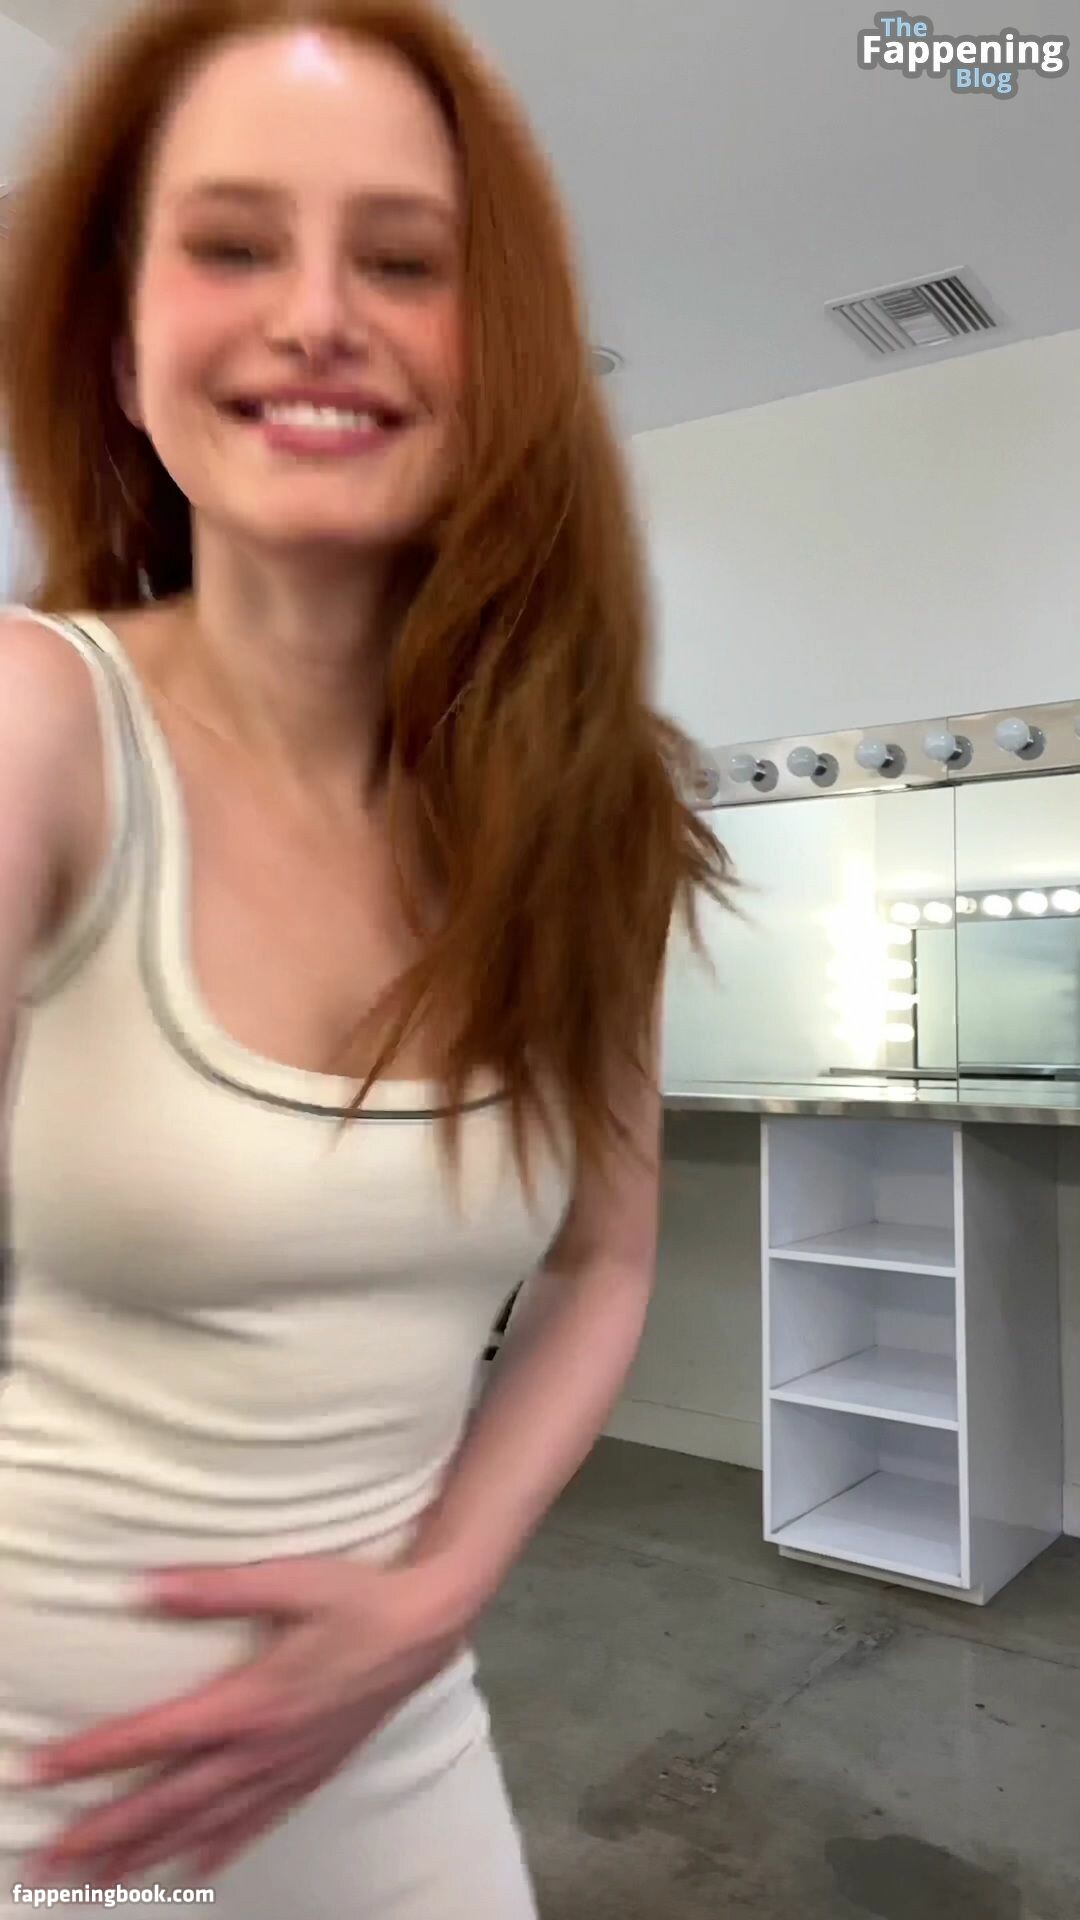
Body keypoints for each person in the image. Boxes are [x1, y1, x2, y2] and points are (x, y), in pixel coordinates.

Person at [0, 3, 729, 1915]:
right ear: (120, 343)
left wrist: (437, 1593)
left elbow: (605, 1261)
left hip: (393, 1752)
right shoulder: (35, 728)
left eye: (403, 262)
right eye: (232, 245)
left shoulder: (591, 809)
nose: (318, 315)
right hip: (36, 1796)